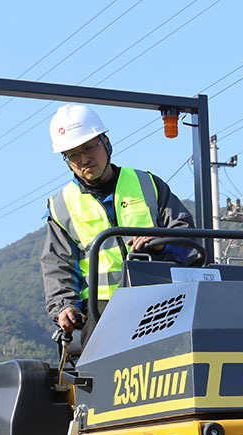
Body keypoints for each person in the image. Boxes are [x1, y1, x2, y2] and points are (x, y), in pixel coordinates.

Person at [41, 104, 194, 341]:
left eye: (89, 147)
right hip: (101, 313)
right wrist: (65, 307)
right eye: (73, 154)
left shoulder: (148, 185)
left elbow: (188, 237)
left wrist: (162, 244)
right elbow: (57, 266)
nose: (84, 159)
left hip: (160, 301)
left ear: (106, 142)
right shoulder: (61, 206)